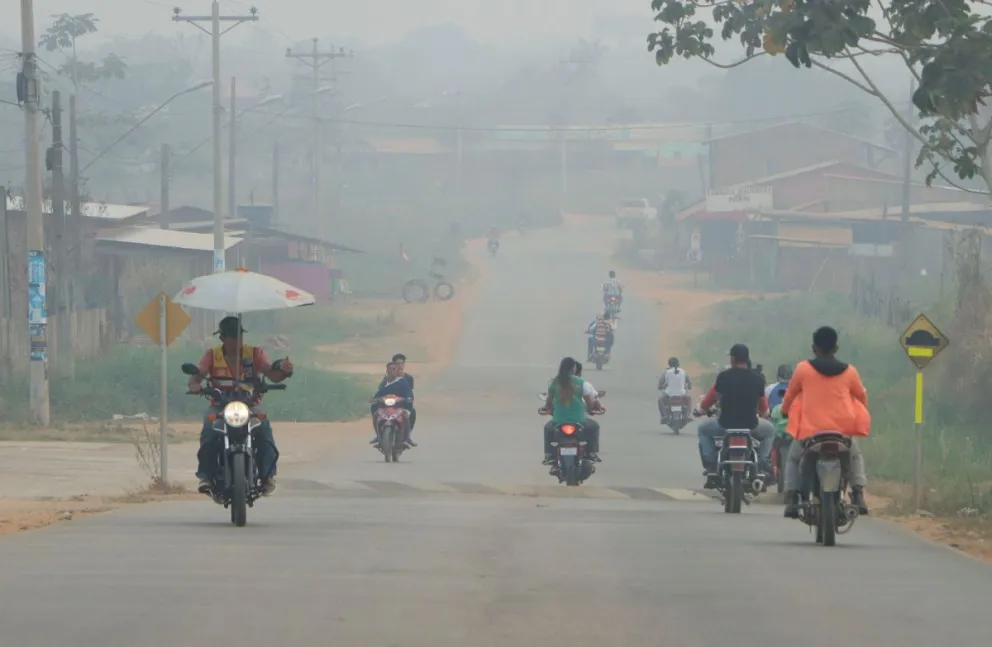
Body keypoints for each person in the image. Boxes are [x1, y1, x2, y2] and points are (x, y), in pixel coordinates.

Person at [188, 316, 293, 496]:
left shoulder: (255, 354)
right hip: (220, 407)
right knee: (208, 429)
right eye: (231, 336)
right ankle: (205, 476)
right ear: (222, 338)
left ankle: (268, 476)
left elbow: (272, 374)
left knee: (264, 429)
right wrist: (195, 385)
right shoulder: (212, 355)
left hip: (249, 406)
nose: (236, 340)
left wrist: (285, 372)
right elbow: (198, 375)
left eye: (238, 335)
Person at [781, 326, 870, 518]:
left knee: (793, 458)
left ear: (814, 348)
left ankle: (791, 498)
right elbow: (861, 397)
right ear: (836, 348)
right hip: (842, 432)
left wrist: (784, 411)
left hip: (810, 433)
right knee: (854, 455)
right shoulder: (850, 372)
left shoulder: (803, 369)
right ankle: (858, 494)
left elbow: (790, 395)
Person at [696, 343, 775, 489]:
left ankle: (712, 465)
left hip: (725, 425)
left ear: (732, 359)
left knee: (703, 429)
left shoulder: (724, 377)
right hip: (751, 425)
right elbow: (763, 405)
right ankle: (763, 463)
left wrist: (701, 410)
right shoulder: (757, 378)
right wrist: (765, 413)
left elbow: (712, 398)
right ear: (747, 359)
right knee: (770, 431)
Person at [541, 357, 602, 465]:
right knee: (594, 427)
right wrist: (592, 409)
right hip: (578, 420)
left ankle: (549, 454)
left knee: (548, 428)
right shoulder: (581, 382)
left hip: (558, 421)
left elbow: (549, 402)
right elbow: (589, 402)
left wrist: (548, 409)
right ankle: (591, 453)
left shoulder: (555, 382)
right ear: (573, 369)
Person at [370, 353, 418, 447]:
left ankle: (407, 437)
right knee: (375, 411)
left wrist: (408, 399)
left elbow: (409, 391)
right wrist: (375, 399)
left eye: (402, 363)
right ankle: (378, 435)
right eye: (397, 363)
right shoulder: (386, 379)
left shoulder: (408, 378)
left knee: (411, 413)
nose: (400, 365)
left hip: (402, 402)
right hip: (387, 402)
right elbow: (380, 391)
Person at [658, 356, 692, 423]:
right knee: (689, 399)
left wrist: (660, 386)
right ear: (678, 364)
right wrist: (689, 387)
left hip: (669, 394)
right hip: (682, 394)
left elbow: (660, 383)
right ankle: (687, 415)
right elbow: (689, 383)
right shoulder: (683, 372)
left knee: (660, 400)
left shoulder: (666, 372)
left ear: (669, 364)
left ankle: (665, 416)